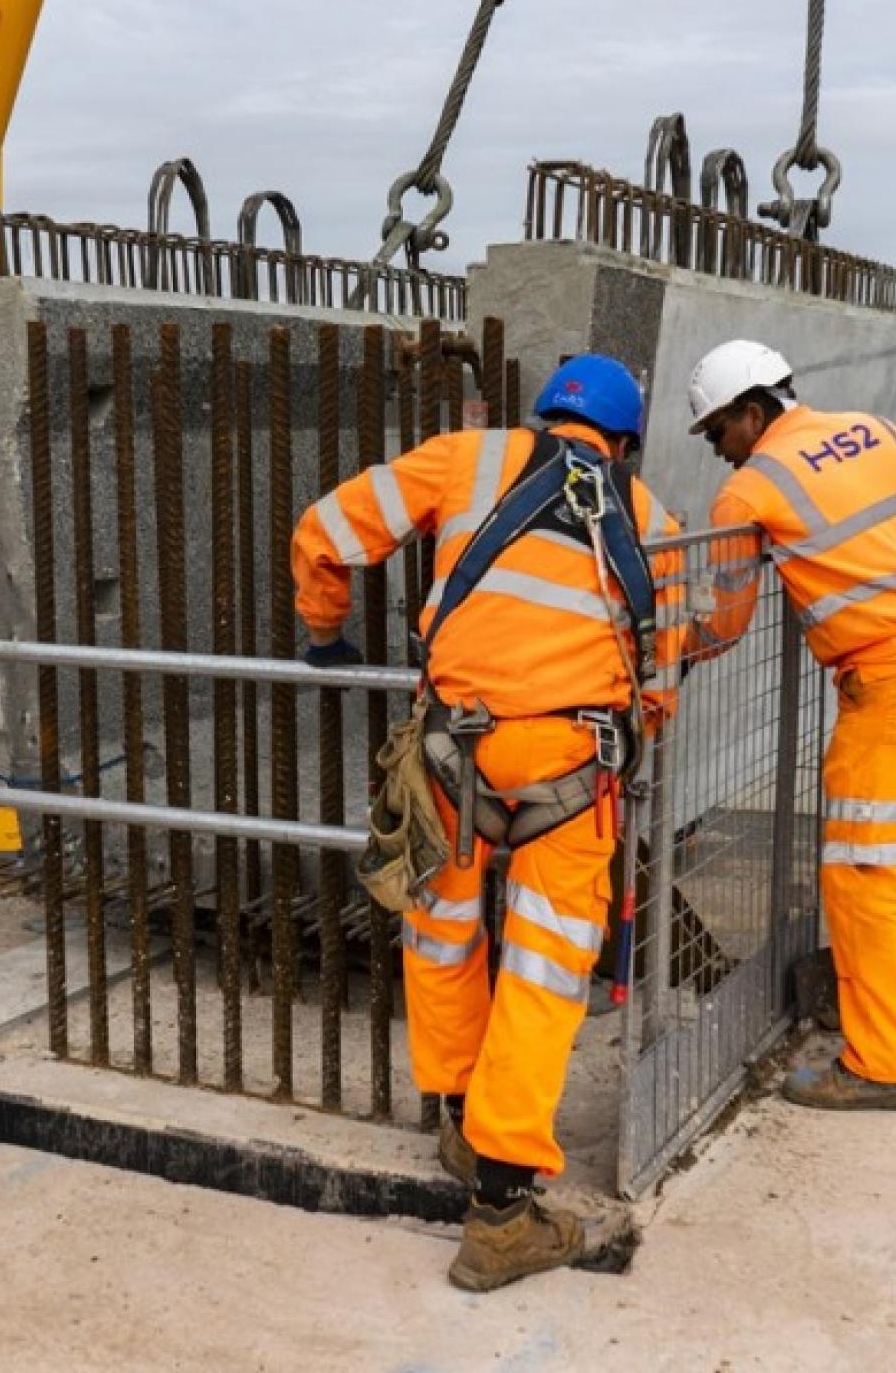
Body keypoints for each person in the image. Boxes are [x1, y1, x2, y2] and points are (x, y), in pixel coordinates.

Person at [292, 355, 683, 1291]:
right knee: (544, 973)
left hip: (451, 756)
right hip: (572, 772)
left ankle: (459, 1123)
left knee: (442, 936)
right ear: (624, 440)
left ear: (543, 414)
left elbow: (324, 531)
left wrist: (326, 633)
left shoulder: (467, 460)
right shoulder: (654, 519)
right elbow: (659, 674)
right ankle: (503, 1209)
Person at [683, 339, 896, 1111]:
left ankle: (885, 1065)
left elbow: (724, 621)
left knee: (866, 874)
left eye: (717, 432)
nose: (719, 453)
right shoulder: (880, 430)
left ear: (752, 414)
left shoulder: (750, 493)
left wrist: (673, 651)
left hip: (891, 685)